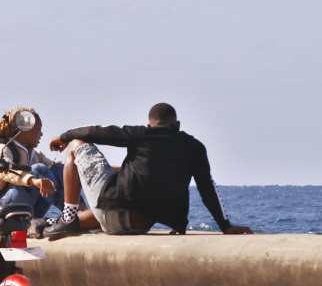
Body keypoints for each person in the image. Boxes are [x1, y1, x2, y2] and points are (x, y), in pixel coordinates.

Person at [43, 102, 253, 240]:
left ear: (149, 125)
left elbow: (95, 131)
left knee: (76, 145)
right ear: (177, 124)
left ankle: (68, 219)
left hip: (111, 218)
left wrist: (65, 136)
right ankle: (53, 223)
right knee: (119, 188)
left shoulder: (141, 134)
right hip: (141, 225)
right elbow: (207, 187)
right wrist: (225, 224)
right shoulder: (194, 147)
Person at [0, 107, 61, 235]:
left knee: (58, 169)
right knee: (38, 169)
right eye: (39, 129)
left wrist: (74, 163)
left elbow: (55, 167)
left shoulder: (34, 154)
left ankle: (77, 213)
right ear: (26, 130)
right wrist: (32, 180)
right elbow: (5, 170)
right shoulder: (0, 148)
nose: (42, 134)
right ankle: (71, 217)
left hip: (21, 210)